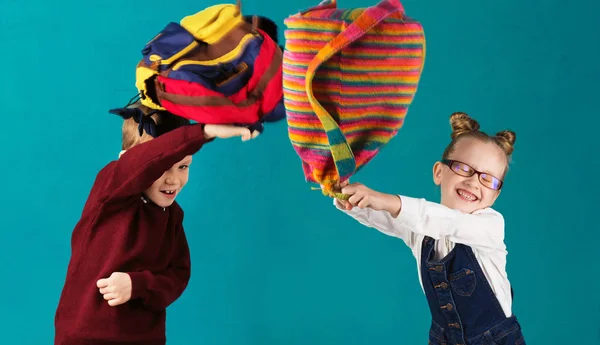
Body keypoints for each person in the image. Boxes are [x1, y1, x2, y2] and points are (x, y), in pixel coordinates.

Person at [54, 105, 255, 345]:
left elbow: (177, 276)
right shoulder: (110, 190)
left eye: (183, 166)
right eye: (162, 167)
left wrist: (138, 285)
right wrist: (203, 132)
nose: (173, 179)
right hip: (85, 336)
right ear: (126, 160)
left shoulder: (172, 216)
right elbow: (146, 159)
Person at [334, 112, 526, 345]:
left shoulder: (490, 226)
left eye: (488, 179)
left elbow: (446, 221)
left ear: (495, 194)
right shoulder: (421, 228)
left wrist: (383, 198)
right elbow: (387, 217)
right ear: (438, 172)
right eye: (464, 168)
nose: (474, 182)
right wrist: (348, 198)